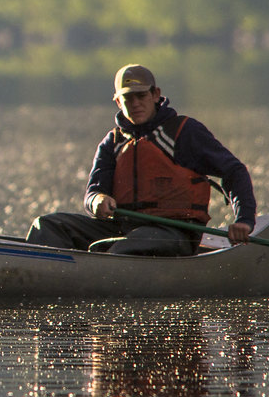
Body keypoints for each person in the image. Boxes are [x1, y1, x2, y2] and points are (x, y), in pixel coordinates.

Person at [26, 63, 257, 255]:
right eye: (127, 98)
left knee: (122, 249)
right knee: (46, 226)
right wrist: (97, 201)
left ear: (156, 95)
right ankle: (43, 275)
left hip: (175, 233)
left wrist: (244, 220)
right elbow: (93, 192)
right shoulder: (112, 143)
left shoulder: (185, 132)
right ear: (118, 102)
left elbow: (234, 171)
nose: (135, 104)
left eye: (141, 96)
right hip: (122, 229)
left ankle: (100, 268)